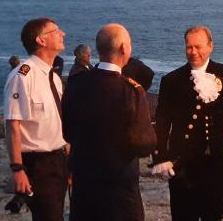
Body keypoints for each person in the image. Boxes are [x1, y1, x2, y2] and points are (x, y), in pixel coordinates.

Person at [153, 26, 223, 221]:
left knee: (213, 215)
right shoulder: (171, 80)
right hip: (184, 163)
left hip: (220, 163)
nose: (193, 52)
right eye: (189, 47)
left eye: (198, 47)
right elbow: (162, 120)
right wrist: (160, 156)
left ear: (210, 47)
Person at [62, 24, 156, 221]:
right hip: (119, 188)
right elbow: (144, 144)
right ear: (124, 48)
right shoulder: (132, 91)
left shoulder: (76, 83)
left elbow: (67, 131)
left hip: (84, 184)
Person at [3, 17, 69, 221]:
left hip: (58, 160)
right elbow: (13, 126)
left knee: (56, 213)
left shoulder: (53, 77)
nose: (62, 33)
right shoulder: (22, 76)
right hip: (37, 163)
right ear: (41, 40)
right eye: (56, 31)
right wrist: (18, 169)